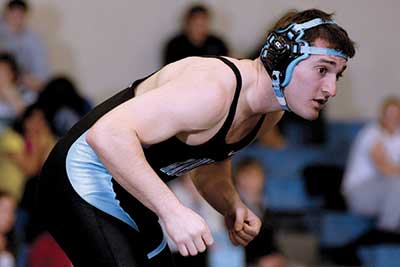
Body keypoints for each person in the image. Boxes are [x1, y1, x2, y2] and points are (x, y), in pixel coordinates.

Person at [37, 8, 355, 267]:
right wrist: (172, 211)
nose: (331, 90)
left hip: (127, 189)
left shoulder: (269, 113)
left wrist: (232, 205)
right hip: (79, 178)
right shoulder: (212, 88)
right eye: (322, 70)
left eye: (336, 75)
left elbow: (205, 162)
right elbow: (106, 135)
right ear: (284, 56)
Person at [342, 96, 400, 231]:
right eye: (389, 114)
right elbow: (384, 168)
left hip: (384, 190)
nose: (393, 118)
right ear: (382, 115)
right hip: (359, 193)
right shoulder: (371, 133)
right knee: (398, 184)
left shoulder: (398, 136)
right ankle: (386, 233)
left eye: (396, 114)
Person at [234, 158, 286, 267]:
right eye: (248, 174)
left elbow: (271, 240)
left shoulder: (265, 204)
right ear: (238, 177)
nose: (253, 179)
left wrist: (277, 256)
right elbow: (234, 242)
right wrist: (259, 261)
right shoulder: (232, 206)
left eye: (257, 175)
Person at [0, 0, 49, 92]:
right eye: (13, 14)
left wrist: (24, 79)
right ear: (6, 13)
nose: (16, 18)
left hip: (22, 85)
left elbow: (42, 74)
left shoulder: (34, 40)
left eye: (19, 14)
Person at [163, 4, 229, 65]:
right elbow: (169, 71)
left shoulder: (217, 44)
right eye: (196, 25)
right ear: (187, 23)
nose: (199, 29)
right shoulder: (174, 45)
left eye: (202, 25)